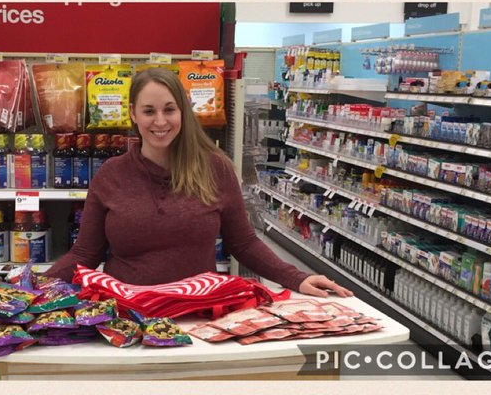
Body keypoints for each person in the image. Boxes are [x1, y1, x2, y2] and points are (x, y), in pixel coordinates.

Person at [46, 68, 352, 297]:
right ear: (133, 115)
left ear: (183, 111)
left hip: (197, 311)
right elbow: (85, 254)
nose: (160, 121)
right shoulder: (111, 174)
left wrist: (296, 277)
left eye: (169, 109)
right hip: (126, 312)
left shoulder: (215, 168)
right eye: (149, 111)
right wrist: (32, 286)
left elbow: (244, 243)